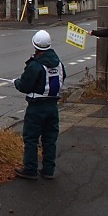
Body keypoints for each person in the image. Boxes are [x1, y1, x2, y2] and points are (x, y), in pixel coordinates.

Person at [13, 30, 66, 180]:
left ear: (35, 45)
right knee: (50, 139)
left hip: (37, 107)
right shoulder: (59, 63)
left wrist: (17, 82)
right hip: (52, 106)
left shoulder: (36, 65)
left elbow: (24, 85)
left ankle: (30, 169)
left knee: (31, 138)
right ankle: (48, 169)